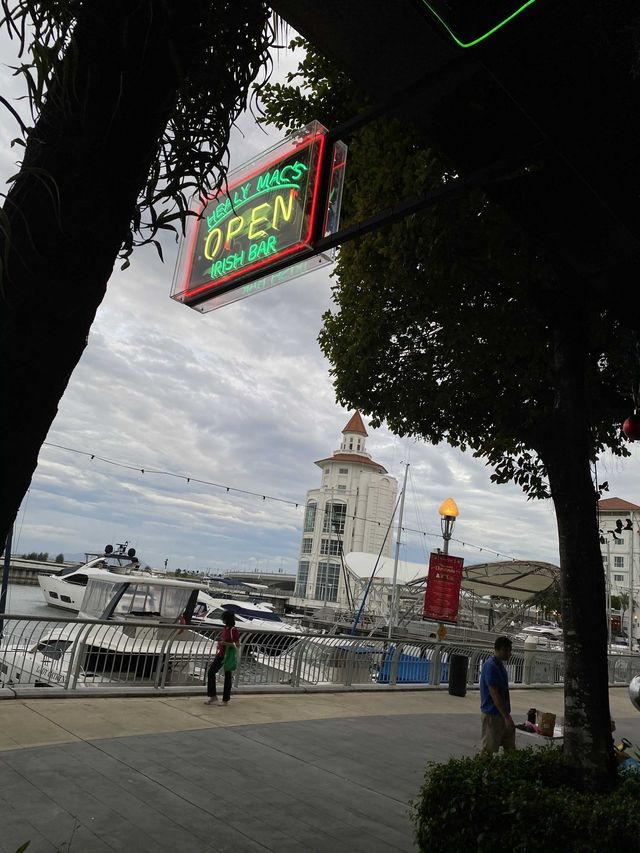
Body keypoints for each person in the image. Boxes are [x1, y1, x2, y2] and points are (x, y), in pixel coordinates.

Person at [479, 635, 515, 753]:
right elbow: (494, 694)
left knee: (510, 746)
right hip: (493, 715)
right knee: (488, 749)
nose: (510, 654)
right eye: (508, 650)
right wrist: (506, 716)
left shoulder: (499, 666)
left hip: (501, 714)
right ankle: (483, 771)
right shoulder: (491, 667)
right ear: (500, 650)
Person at [205, 611, 240, 705]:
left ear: (227, 619)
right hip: (221, 654)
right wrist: (220, 642)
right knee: (211, 672)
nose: (222, 620)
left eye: (224, 618)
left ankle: (225, 700)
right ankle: (213, 696)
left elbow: (237, 644)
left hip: (228, 656)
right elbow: (223, 639)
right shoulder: (225, 628)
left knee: (228, 677)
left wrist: (225, 644)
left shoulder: (233, 630)